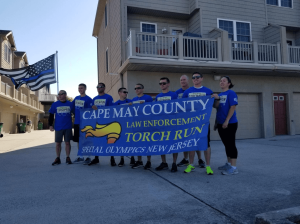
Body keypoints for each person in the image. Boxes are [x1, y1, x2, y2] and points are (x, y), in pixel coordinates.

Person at [182, 72, 214, 175]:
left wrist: (216, 97)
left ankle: (208, 166)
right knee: (192, 143)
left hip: (204, 122)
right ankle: (191, 164)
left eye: (197, 77)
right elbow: (182, 106)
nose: (195, 79)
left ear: (202, 79)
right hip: (191, 122)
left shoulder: (208, 91)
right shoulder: (187, 92)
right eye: (193, 78)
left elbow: (214, 104)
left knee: (206, 144)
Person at [175, 75, 206, 168]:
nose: (182, 81)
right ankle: (186, 159)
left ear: (188, 81)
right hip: (183, 120)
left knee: (196, 139)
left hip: (196, 119)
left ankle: (200, 159)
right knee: (185, 140)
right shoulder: (177, 93)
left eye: (184, 79)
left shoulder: (193, 90)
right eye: (181, 80)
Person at [212, 76, 239, 175]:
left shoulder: (231, 93)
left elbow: (233, 107)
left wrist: (227, 121)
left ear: (229, 83)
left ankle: (234, 167)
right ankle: (228, 163)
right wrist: (216, 122)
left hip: (230, 123)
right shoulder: (220, 94)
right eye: (220, 81)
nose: (222, 82)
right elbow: (217, 108)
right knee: (226, 145)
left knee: (231, 144)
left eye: (224, 81)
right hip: (220, 123)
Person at [88, 83, 115, 166]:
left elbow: (112, 109)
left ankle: (112, 159)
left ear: (104, 88)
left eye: (100, 87)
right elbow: (91, 110)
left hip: (106, 122)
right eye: (97, 87)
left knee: (109, 140)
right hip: (97, 122)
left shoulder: (109, 97)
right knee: (96, 141)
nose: (99, 88)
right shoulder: (94, 98)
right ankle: (96, 159)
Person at [154, 77, 178, 172]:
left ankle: (174, 163)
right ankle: (164, 163)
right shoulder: (158, 96)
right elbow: (154, 110)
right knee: (161, 144)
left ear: (168, 84)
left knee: (173, 144)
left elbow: (178, 108)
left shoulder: (174, 95)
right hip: (161, 124)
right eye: (160, 83)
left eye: (164, 83)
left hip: (172, 124)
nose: (162, 85)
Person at [130, 83, 153, 169]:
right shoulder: (133, 99)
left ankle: (148, 161)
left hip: (146, 124)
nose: (137, 90)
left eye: (138, 88)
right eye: (135, 88)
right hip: (137, 124)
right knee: (138, 143)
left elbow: (152, 109)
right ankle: (139, 161)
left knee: (147, 143)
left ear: (143, 89)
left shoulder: (148, 98)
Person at [49, 90, 74, 165]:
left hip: (68, 126)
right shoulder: (55, 104)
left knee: (67, 143)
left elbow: (77, 113)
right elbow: (51, 115)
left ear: (65, 95)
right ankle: (58, 158)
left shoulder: (71, 104)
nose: (59, 95)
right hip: (58, 127)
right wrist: (50, 125)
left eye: (61, 94)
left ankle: (68, 157)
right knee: (58, 143)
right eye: (59, 94)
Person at [72, 83, 93, 165]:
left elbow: (91, 111)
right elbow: (72, 107)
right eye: (79, 88)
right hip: (77, 122)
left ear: (85, 89)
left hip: (85, 124)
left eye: (81, 88)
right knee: (79, 140)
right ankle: (81, 156)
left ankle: (88, 157)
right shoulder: (76, 98)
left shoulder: (89, 99)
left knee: (87, 140)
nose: (80, 89)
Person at [114, 87, 134, 167]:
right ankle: (121, 159)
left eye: (127, 92)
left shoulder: (130, 102)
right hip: (120, 126)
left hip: (129, 125)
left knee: (130, 142)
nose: (126, 93)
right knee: (121, 143)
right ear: (119, 93)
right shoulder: (115, 104)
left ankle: (132, 158)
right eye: (124, 92)